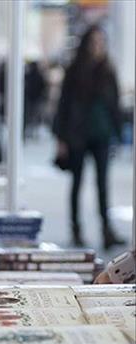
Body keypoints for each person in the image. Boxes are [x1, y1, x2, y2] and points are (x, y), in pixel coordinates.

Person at [53, 26, 124, 249]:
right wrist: (60, 137)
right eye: (94, 42)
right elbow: (63, 104)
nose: (97, 47)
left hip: (102, 134)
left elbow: (115, 105)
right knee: (77, 182)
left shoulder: (108, 71)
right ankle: (76, 229)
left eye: (101, 42)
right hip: (77, 134)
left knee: (103, 184)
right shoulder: (74, 70)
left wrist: (118, 132)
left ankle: (106, 230)